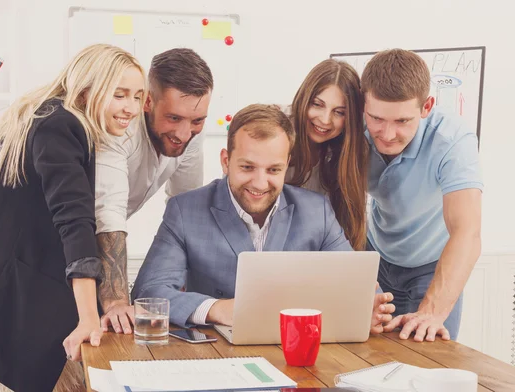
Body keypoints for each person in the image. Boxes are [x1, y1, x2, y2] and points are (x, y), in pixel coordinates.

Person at [0, 44, 146, 392]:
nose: (132, 108)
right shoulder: (66, 125)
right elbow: (75, 221)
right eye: (120, 94)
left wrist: (15, 210)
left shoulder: (30, 112)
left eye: (139, 96)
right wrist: (88, 319)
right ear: (88, 89)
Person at [131, 104, 394, 332]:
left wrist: (368, 309)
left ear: (286, 164)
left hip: (296, 354)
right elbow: (149, 292)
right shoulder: (185, 211)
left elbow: (358, 285)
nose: (259, 183)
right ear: (226, 161)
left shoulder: (317, 212)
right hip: (217, 354)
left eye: (273, 170)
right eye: (247, 167)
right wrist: (216, 309)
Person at [361, 49, 483, 342]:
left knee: (428, 356)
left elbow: (467, 232)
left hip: (431, 265)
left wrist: (431, 310)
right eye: (377, 118)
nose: (387, 134)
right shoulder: (352, 127)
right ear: (362, 105)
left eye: (402, 121)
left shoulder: (452, 139)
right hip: (372, 256)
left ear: (426, 106)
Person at [94, 48, 213, 335]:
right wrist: (116, 302)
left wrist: (185, 286)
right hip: (58, 241)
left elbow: (187, 206)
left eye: (197, 121)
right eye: (173, 118)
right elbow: (108, 213)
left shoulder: (191, 135)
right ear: (148, 101)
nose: (184, 134)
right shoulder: (119, 127)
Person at [285, 59, 369, 251]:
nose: (325, 120)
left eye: (339, 112)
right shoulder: (278, 135)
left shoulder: (347, 152)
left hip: (317, 258)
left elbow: (348, 228)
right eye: (317, 104)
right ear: (304, 99)